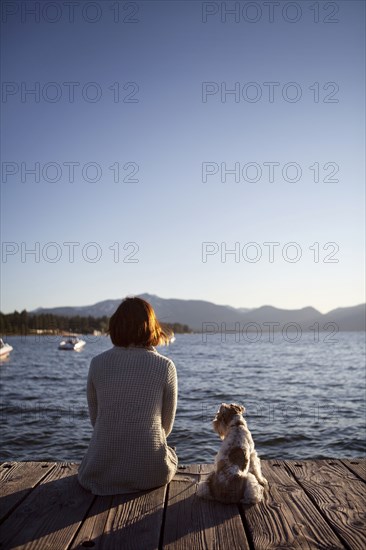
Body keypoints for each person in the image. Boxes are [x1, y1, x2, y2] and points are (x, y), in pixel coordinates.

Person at [78, 296, 178, 495]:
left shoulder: (97, 363)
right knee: (171, 454)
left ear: (114, 327)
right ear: (151, 327)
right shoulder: (165, 366)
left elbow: (95, 420)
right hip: (152, 473)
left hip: (100, 473)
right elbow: (165, 428)